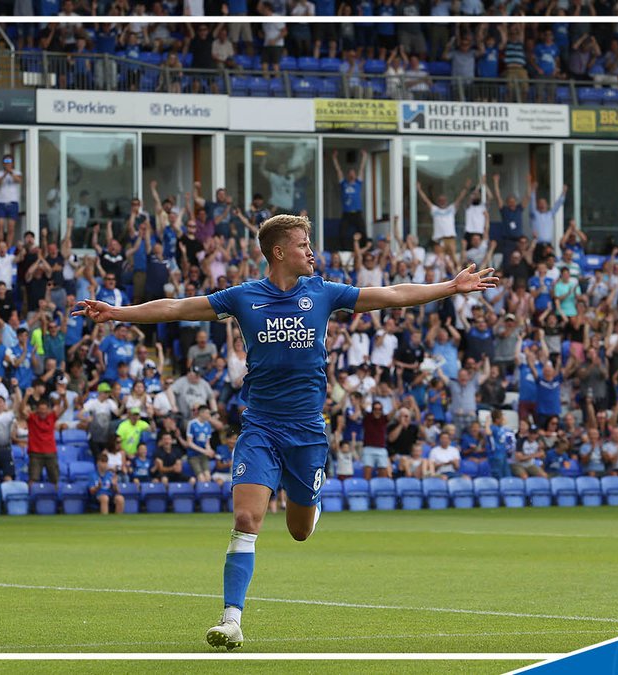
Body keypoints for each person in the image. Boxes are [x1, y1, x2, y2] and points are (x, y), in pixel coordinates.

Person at [73, 213, 496, 651]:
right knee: (245, 519)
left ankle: (311, 499)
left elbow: (390, 294)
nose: (311, 251)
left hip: (308, 432)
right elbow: (179, 306)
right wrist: (117, 313)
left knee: (299, 530)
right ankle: (231, 619)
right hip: (260, 426)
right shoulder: (243, 297)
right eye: (303, 244)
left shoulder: (324, 292)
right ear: (278, 252)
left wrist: (448, 286)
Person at [331, 149, 367, 251]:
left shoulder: (358, 184)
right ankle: (344, 250)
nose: (352, 174)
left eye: (353, 173)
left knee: (363, 231)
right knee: (342, 232)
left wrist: (364, 157)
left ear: (355, 175)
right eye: (350, 173)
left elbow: (361, 169)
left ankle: (364, 249)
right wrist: (334, 159)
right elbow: (339, 171)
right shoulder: (344, 184)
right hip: (347, 213)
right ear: (348, 175)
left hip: (357, 213)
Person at [0, 154, 23, 244]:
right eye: (6, 162)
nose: (7, 164)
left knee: (11, 227)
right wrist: (5, 173)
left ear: (13, 163)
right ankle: (0, 245)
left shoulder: (17, 172)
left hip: (13, 202)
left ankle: (8, 247)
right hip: (0, 202)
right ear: (3, 163)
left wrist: (10, 172)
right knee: (0, 226)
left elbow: (19, 180)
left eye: (9, 162)